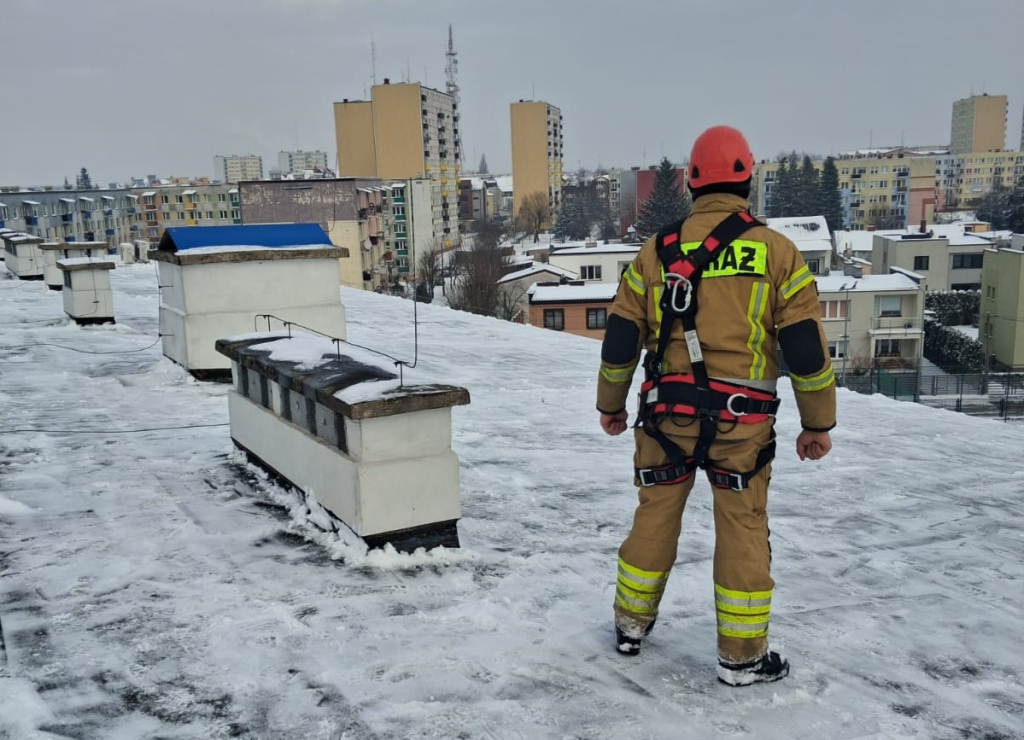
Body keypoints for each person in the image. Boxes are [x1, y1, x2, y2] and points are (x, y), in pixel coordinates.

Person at [596, 125, 835, 686]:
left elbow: (620, 338)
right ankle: (742, 657)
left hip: (665, 418)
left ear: (692, 183)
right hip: (740, 427)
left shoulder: (656, 252)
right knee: (743, 529)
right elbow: (804, 349)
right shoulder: (778, 253)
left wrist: (609, 404)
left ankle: (630, 626)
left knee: (654, 516)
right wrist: (817, 422)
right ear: (748, 178)